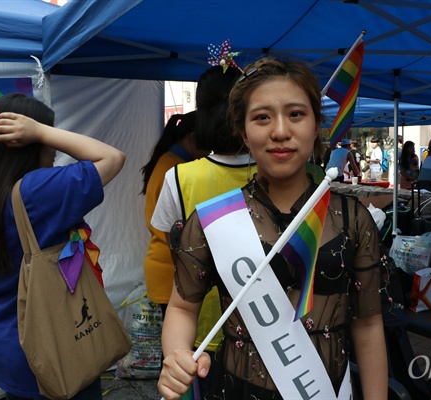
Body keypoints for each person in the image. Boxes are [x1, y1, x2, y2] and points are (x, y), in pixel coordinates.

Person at [158, 57, 388, 400]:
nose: (280, 131)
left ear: (315, 124)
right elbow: (181, 307)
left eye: (296, 114)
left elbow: (368, 324)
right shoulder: (211, 221)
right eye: (262, 117)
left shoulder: (353, 219)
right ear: (243, 131)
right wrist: (176, 352)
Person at [0, 94, 125, 399]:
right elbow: (111, 158)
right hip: (55, 343)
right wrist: (42, 130)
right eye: (47, 137)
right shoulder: (35, 191)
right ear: (26, 142)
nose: (55, 148)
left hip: (7, 338)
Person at [151, 65, 256, 396]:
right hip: (274, 324)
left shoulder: (180, 178)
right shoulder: (285, 173)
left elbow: (173, 244)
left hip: (203, 321)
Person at [142, 111, 207, 316]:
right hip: (171, 269)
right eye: (208, 145)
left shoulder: (167, 161)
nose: (209, 153)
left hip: (164, 265)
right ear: (192, 138)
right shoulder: (177, 169)